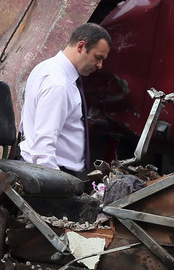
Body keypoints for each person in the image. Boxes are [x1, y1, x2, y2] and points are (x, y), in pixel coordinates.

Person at [19, 23, 110, 175]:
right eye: (98, 57)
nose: (100, 65)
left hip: (43, 170)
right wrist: (53, 185)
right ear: (81, 46)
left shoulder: (45, 67)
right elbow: (43, 147)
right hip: (51, 173)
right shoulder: (59, 84)